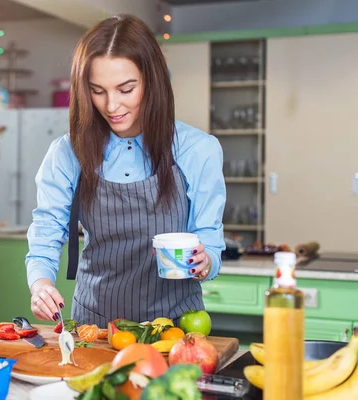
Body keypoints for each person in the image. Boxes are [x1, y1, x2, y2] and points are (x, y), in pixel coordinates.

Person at [25, 14, 226, 328]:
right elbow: (46, 233)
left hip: (178, 328)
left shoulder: (198, 149)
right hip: (95, 326)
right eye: (98, 90)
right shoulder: (66, 153)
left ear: (152, 81)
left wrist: (205, 261)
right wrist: (41, 285)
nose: (111, 106)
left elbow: (210, 240)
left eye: (125, 89)